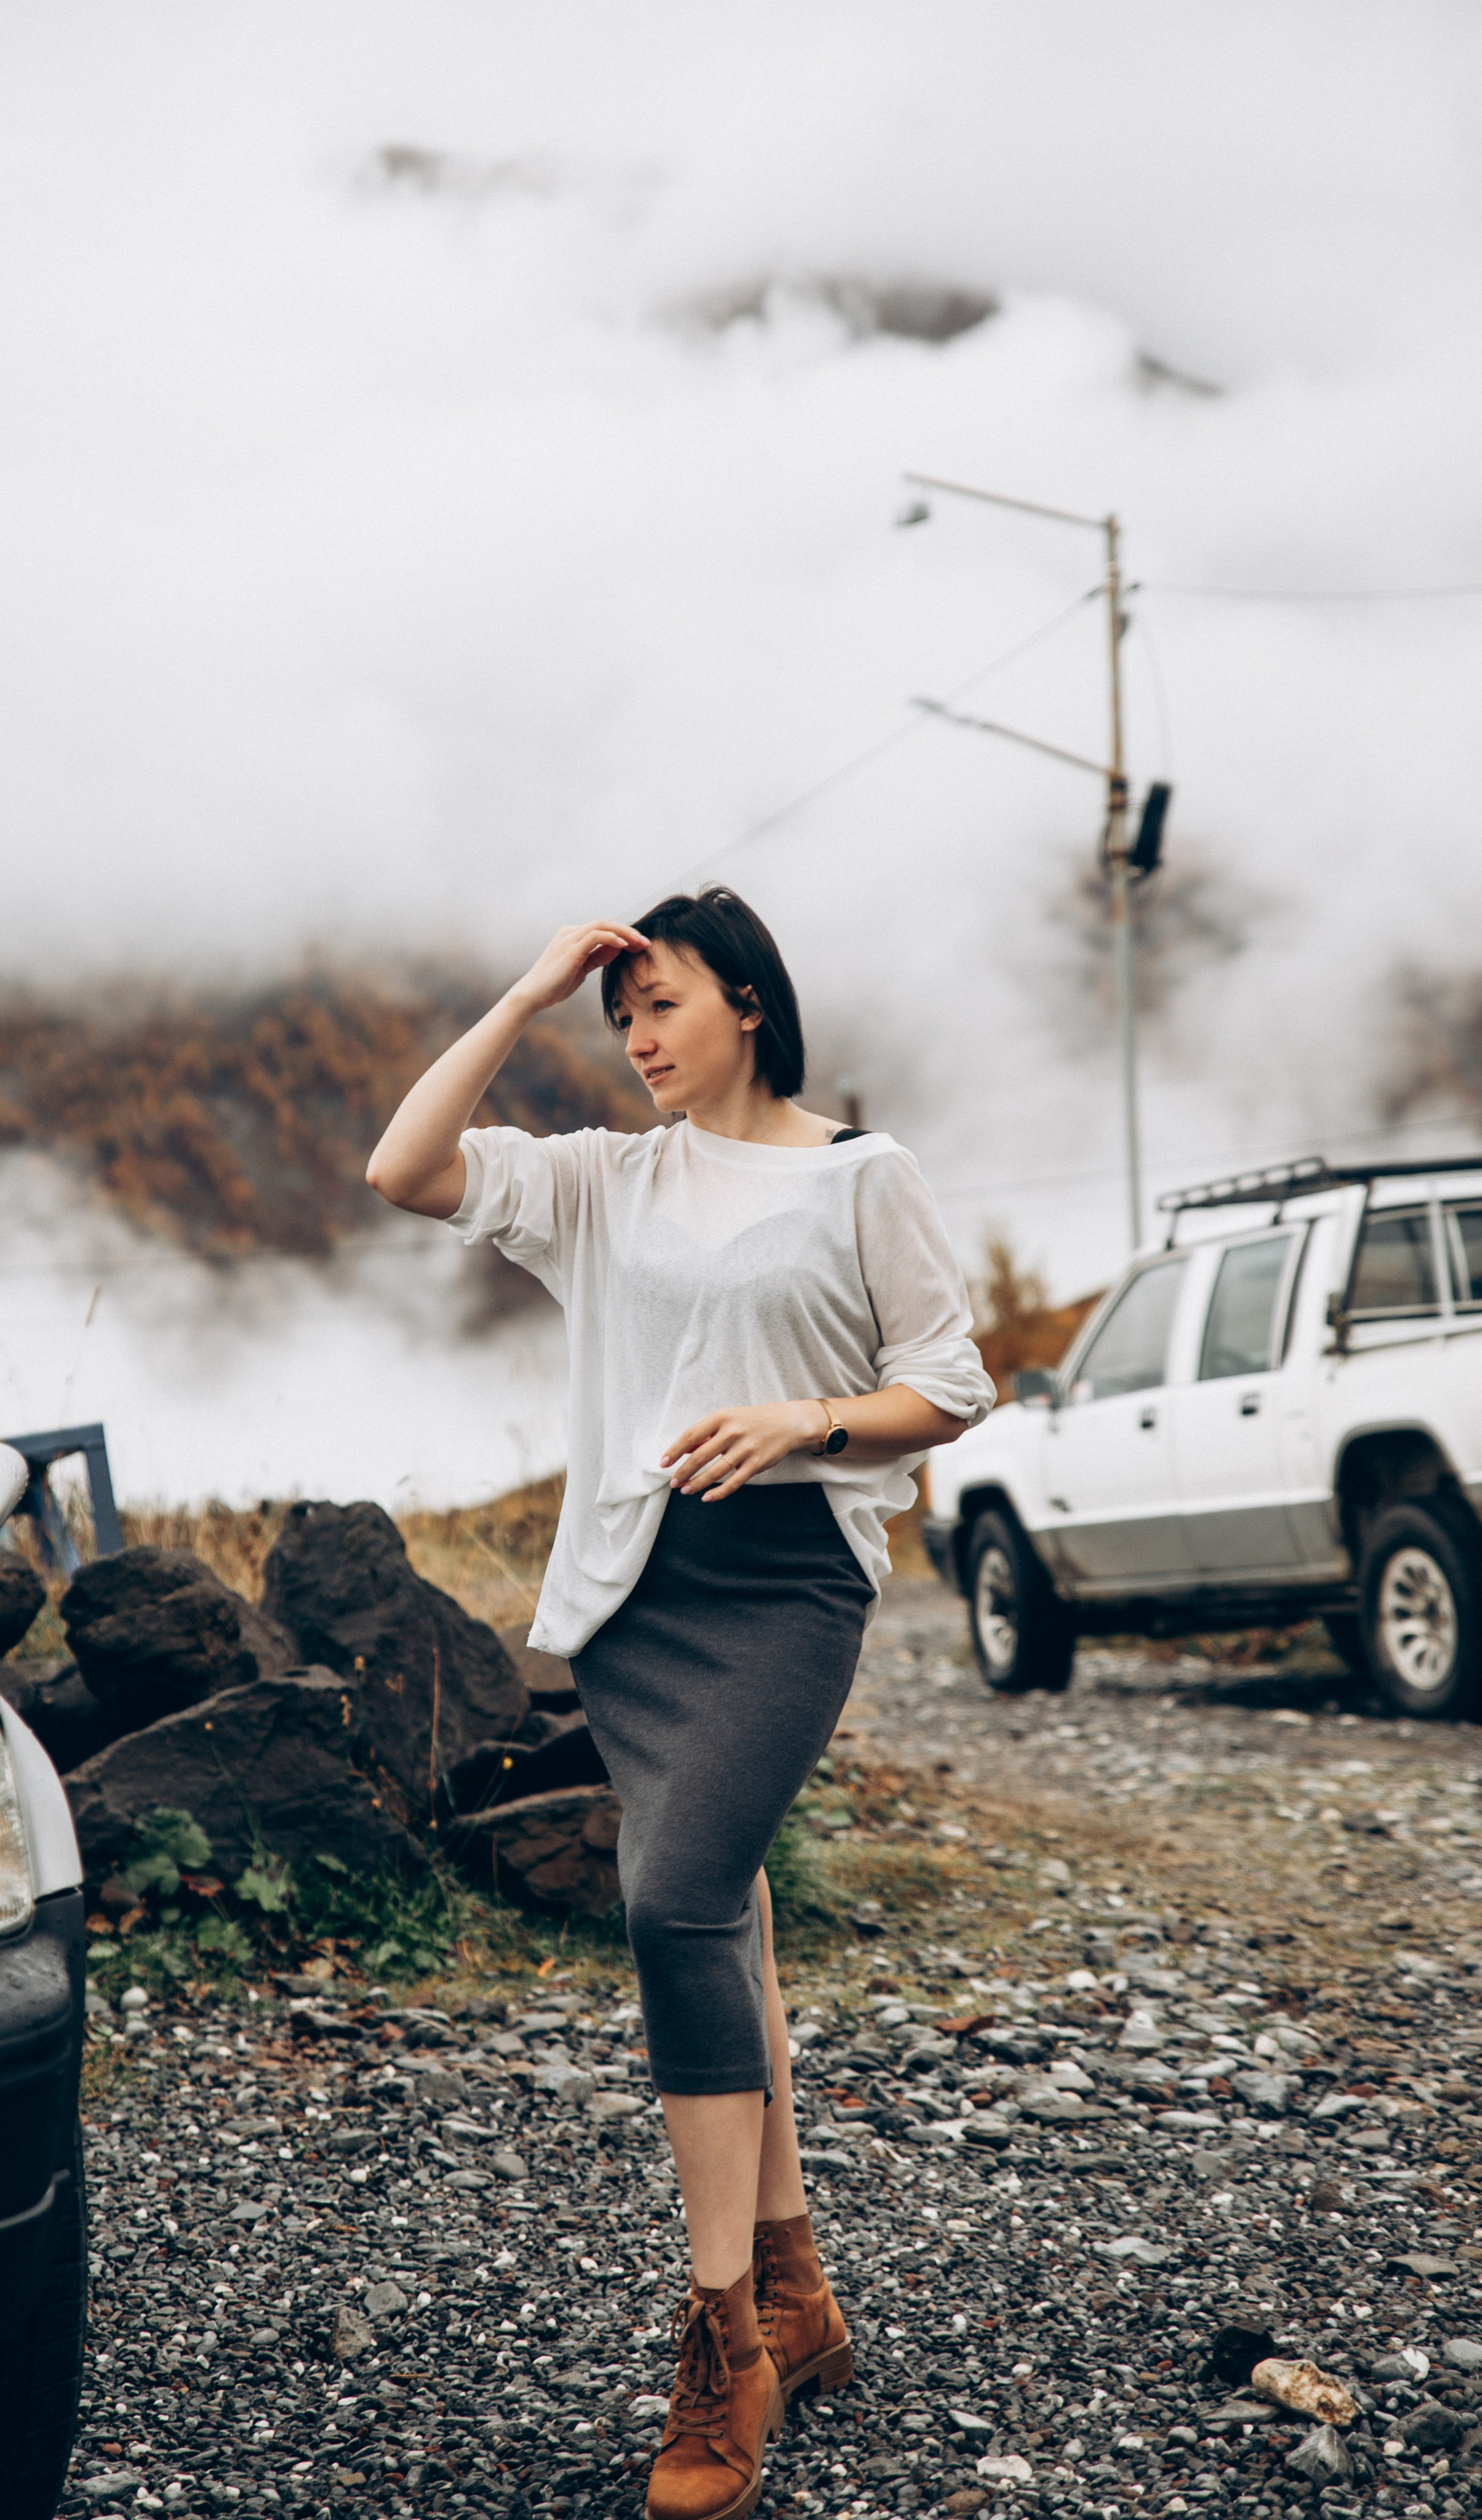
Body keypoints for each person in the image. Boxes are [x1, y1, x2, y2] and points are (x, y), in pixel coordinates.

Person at [367, 887, 994, 2520]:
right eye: (620, 1013)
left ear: (750, 1007)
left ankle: (722, 2341)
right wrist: (524, 989)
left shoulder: (864, 1176)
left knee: (677, 1894)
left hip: (786, 1588)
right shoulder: (600, 1179)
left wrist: (800, 1420)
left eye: (663, 1005)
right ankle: (792, 2290)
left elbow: (948, 1384)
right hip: (632, 1603)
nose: (637, 1038)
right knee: (730, 1915)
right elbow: (403, 1168)